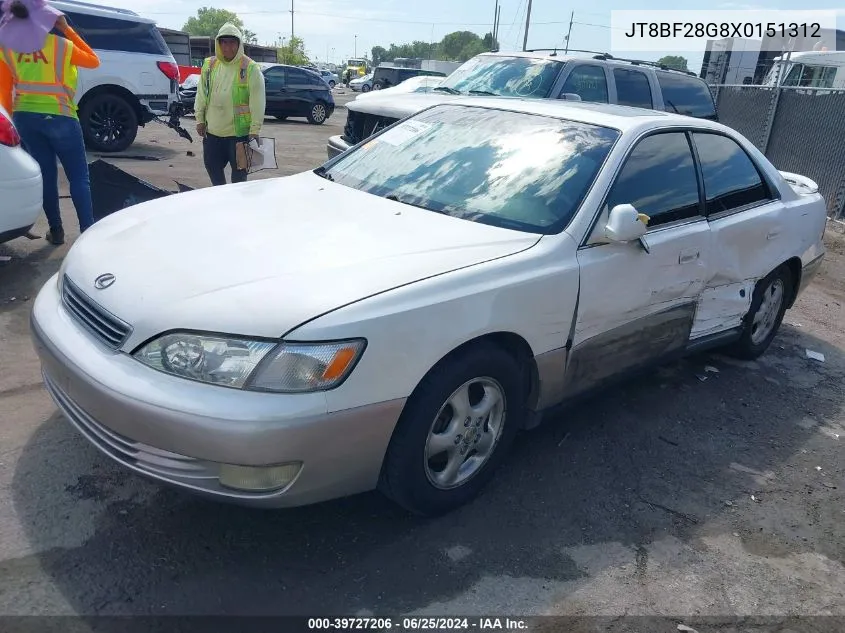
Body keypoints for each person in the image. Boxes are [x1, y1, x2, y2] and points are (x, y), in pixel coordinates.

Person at [0, 0, 100, 245]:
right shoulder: (62, 46)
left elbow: (4, 94)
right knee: (79, 177)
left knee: (46, 175)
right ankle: (88, 234)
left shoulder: (6, 50)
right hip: (62, 117)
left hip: (26, 120)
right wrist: (67, 29)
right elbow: (93, 60)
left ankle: (56, 231)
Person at [194, 23, 265, 186]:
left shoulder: (250, 68)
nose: (227, 47)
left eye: (232, 42)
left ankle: (237, 207)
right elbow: (201, 94)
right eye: (223, 42)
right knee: (212, 168)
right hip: (213, 133)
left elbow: (258, 102)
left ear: (239, 44)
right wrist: (199, 118)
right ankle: (221, 201)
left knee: (239, 179)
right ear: (218, 44)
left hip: (239, 136)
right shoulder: (209, 65)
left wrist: (255, 130)